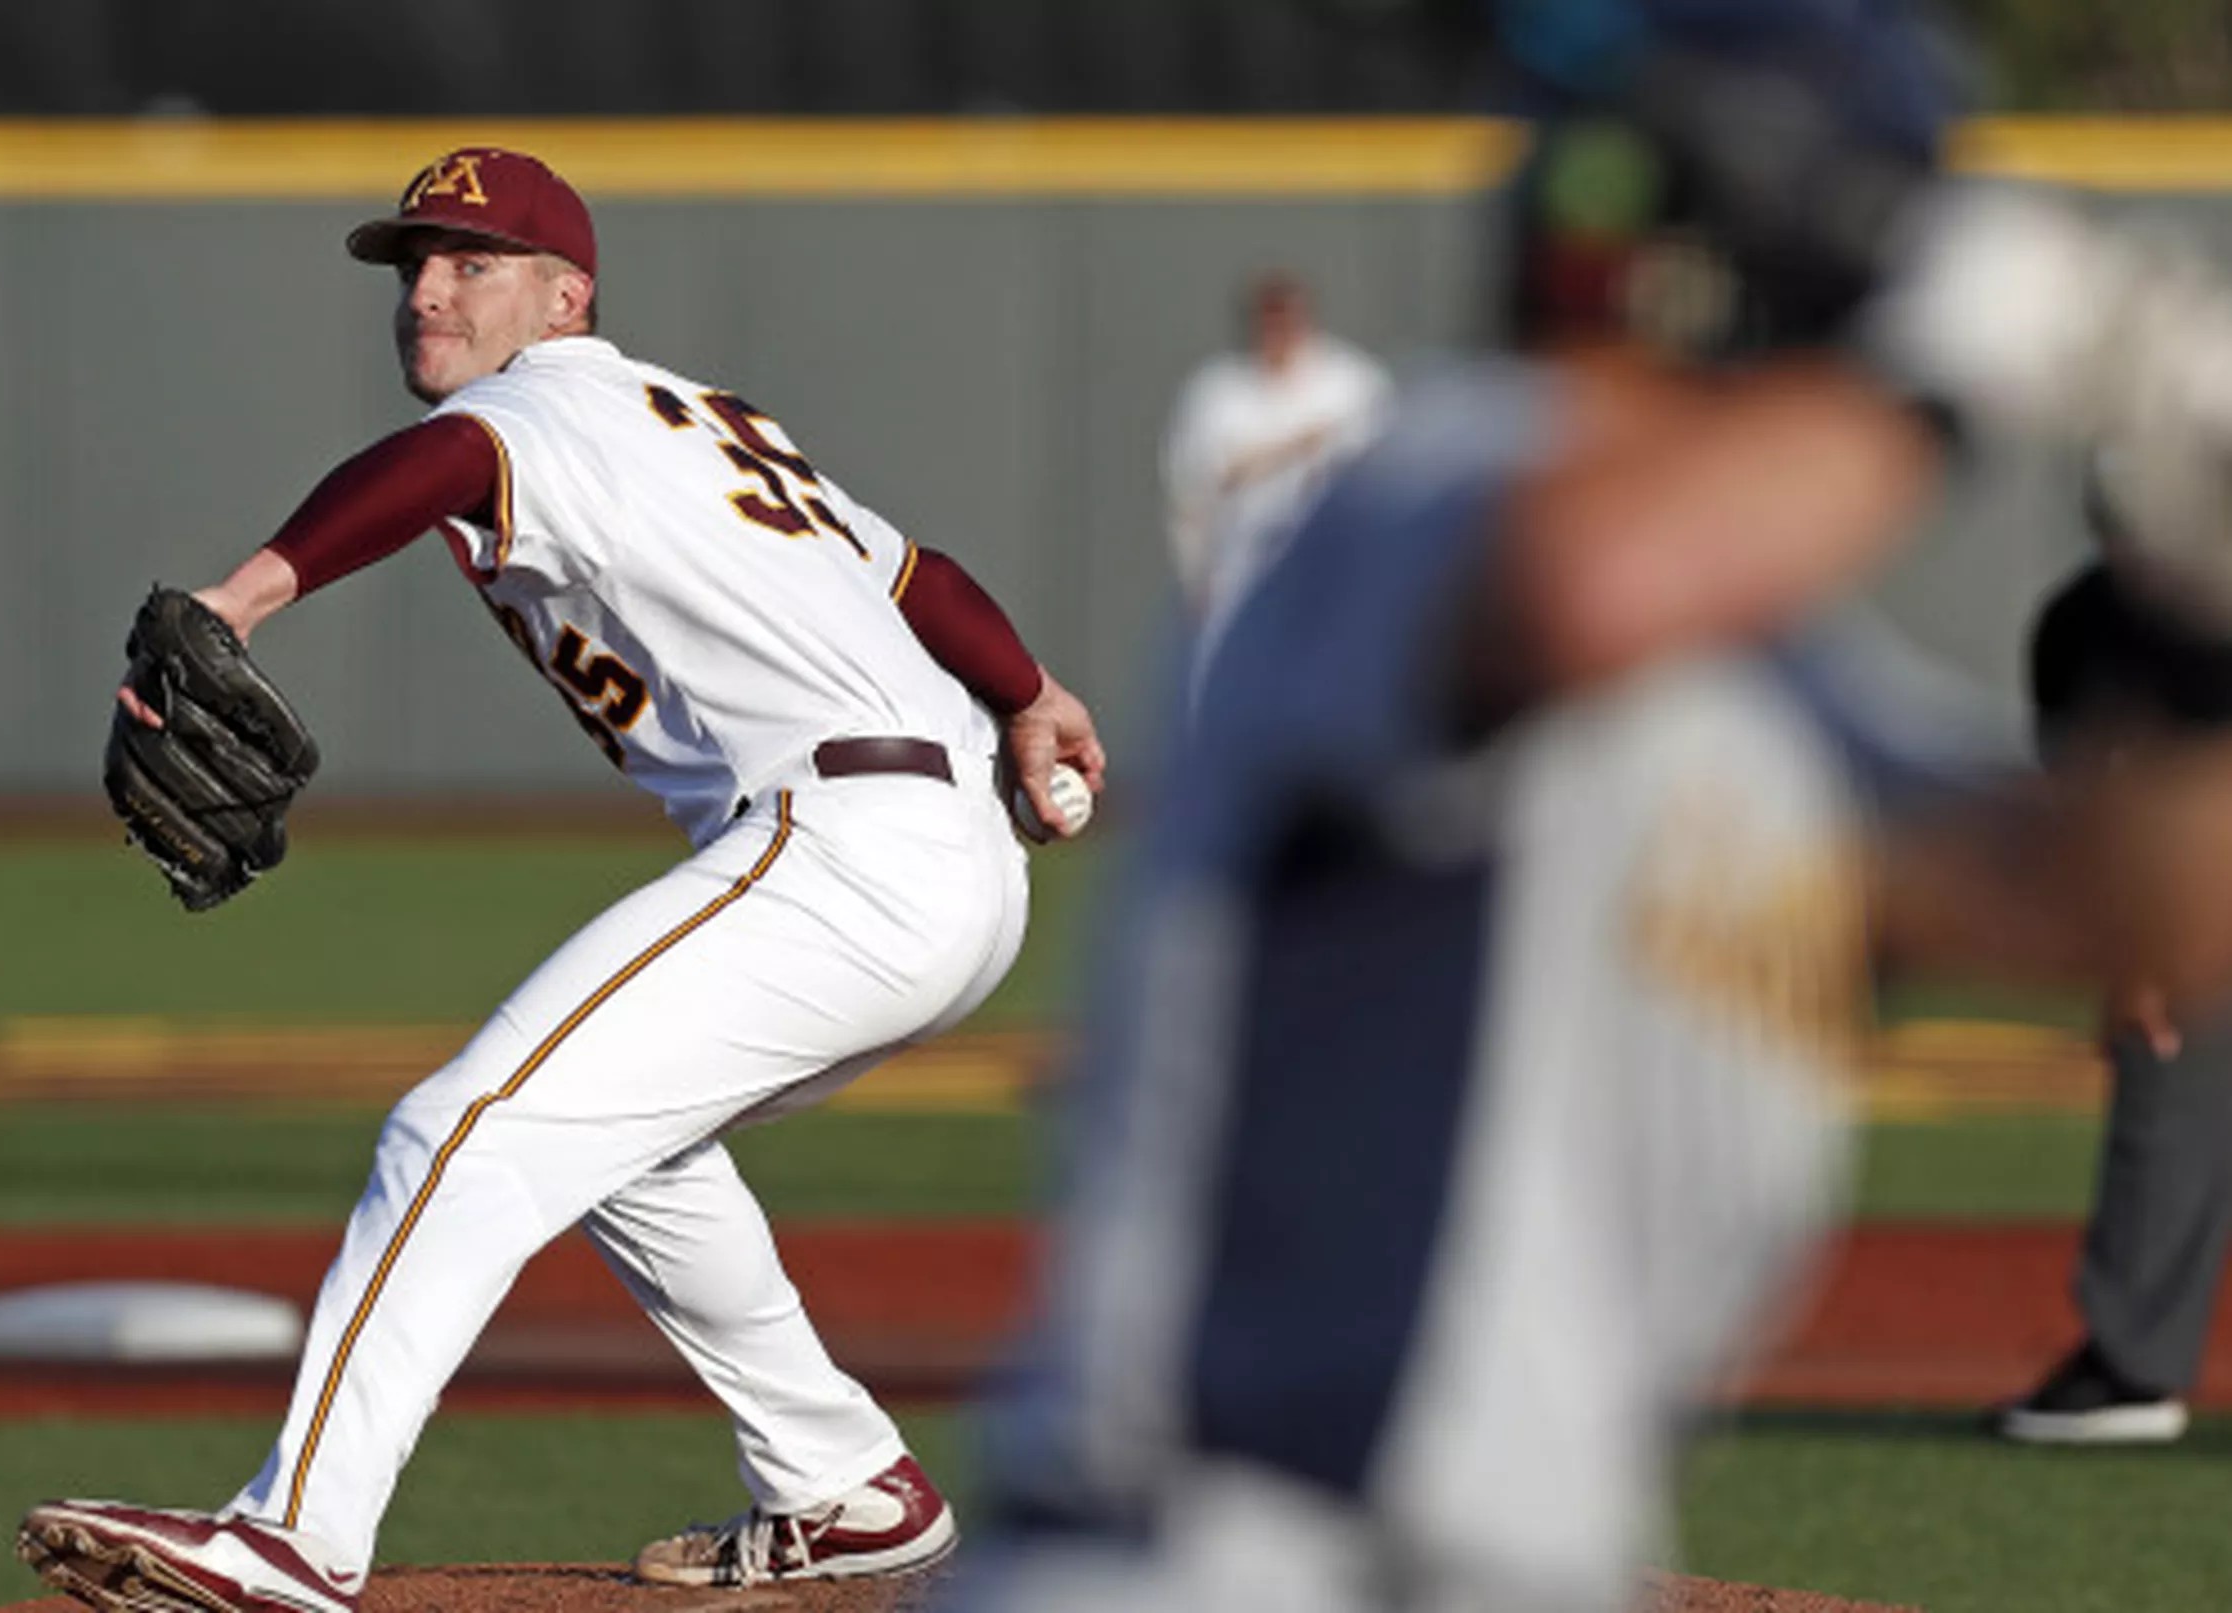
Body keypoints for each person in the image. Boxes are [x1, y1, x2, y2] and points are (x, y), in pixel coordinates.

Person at [947, 6, 2232, 1611]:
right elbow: (1589, 585)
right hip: (1224, 1554)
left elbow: (2117, 905)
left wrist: (2200, 607)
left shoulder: (1782, 684)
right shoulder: (1429, 478)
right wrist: (1952, 363)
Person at [14, 144, 1106, 1613]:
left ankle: (291, 1540)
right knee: (622, 1143)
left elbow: (447, 463)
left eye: (472, 262)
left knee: (455, 1128)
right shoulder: (695, 418)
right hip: (940, 848)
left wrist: (244, 592)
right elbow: (919, 579)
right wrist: (1031, 691)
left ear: (564, 292)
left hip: (841, 847)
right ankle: (842, 1485)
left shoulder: (545, 404)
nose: (427, 291)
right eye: (413, 264)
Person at [1995, 467, 2232, 1446]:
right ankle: (2130, 1362)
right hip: (2188, 896)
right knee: (2164, 1070)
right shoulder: (2080, 625)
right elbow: (2091, 798)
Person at [1160, 272, 1392, 628]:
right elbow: (1195, 490)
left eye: (1287, 318)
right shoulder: (1219, 391)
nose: (1279, 330)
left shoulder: (1350, 383)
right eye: (1269, 318)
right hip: (1240, 576)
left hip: (1332, 575)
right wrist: (1195, 579)